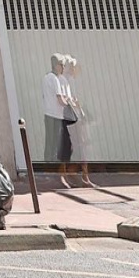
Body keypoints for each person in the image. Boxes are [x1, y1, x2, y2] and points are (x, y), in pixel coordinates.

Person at [61, 55, 92, 187]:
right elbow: (67, 99)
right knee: (73, 146)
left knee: (80, 146)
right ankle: (72, 176)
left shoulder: (72, 81)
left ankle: (83, 177)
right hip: (71, 117)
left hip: (76, 116)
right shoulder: (65, 81)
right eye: (74, 67)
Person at [40, 53, 68, 173]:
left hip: (48, 114)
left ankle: (47, 167)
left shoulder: (46, 77)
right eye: (62, 65)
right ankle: (53, 167)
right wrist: (69, 105)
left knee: (49, 142)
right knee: (56, 142)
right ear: (56, 66)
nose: (63, 68)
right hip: (56, 115)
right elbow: (60, 99)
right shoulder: (55, 79)